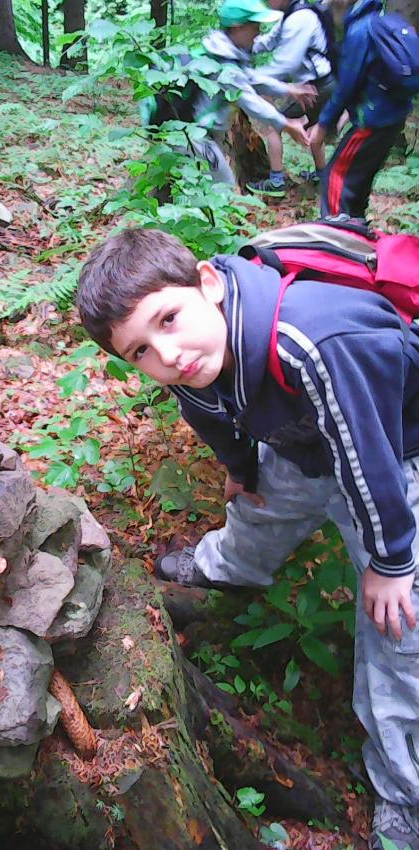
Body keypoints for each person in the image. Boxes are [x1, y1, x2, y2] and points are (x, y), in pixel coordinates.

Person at [77, 226, 419, 850]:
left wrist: (391, 562)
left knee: (401, 632)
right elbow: (205, 408)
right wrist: (239, 468)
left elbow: (370, 461)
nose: (167, 355)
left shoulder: (312, 341)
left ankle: (405, 794)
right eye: (140, 350)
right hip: (306, 437)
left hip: (399, 451)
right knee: (258, 505)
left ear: (208, 283)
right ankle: (228, 566)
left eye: (168, 319)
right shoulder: (195, 350)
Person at [143, 0, 315, 186]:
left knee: (197, 186)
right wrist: (286, 124)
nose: (259, 33)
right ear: (237, 27)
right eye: (255, 26)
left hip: (194, 134)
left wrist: (287, 89)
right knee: (222, 188)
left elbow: (250, 79)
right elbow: (250, 101)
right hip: (194, 137)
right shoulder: (225, 65)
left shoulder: (225, 54)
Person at [309, 0, 414, 221]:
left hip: (372, 121)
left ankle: (334, 230)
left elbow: (346, 86)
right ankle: (357, 225)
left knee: (335, 176)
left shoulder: (360, 30)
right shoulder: (379, 20)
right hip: (393, 118)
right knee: (358, 180)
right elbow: (371, 77)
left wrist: (322, 124)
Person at [246, 0, 337, 198]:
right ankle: (323, 178)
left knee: (274, 125)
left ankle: (276, 182)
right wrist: (242, 46)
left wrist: (250, 78)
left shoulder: (300, 18)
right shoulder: (292, 13)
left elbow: (286, 64)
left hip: (315, 87)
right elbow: (269, 41)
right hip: (320, 84)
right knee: (315, 131)